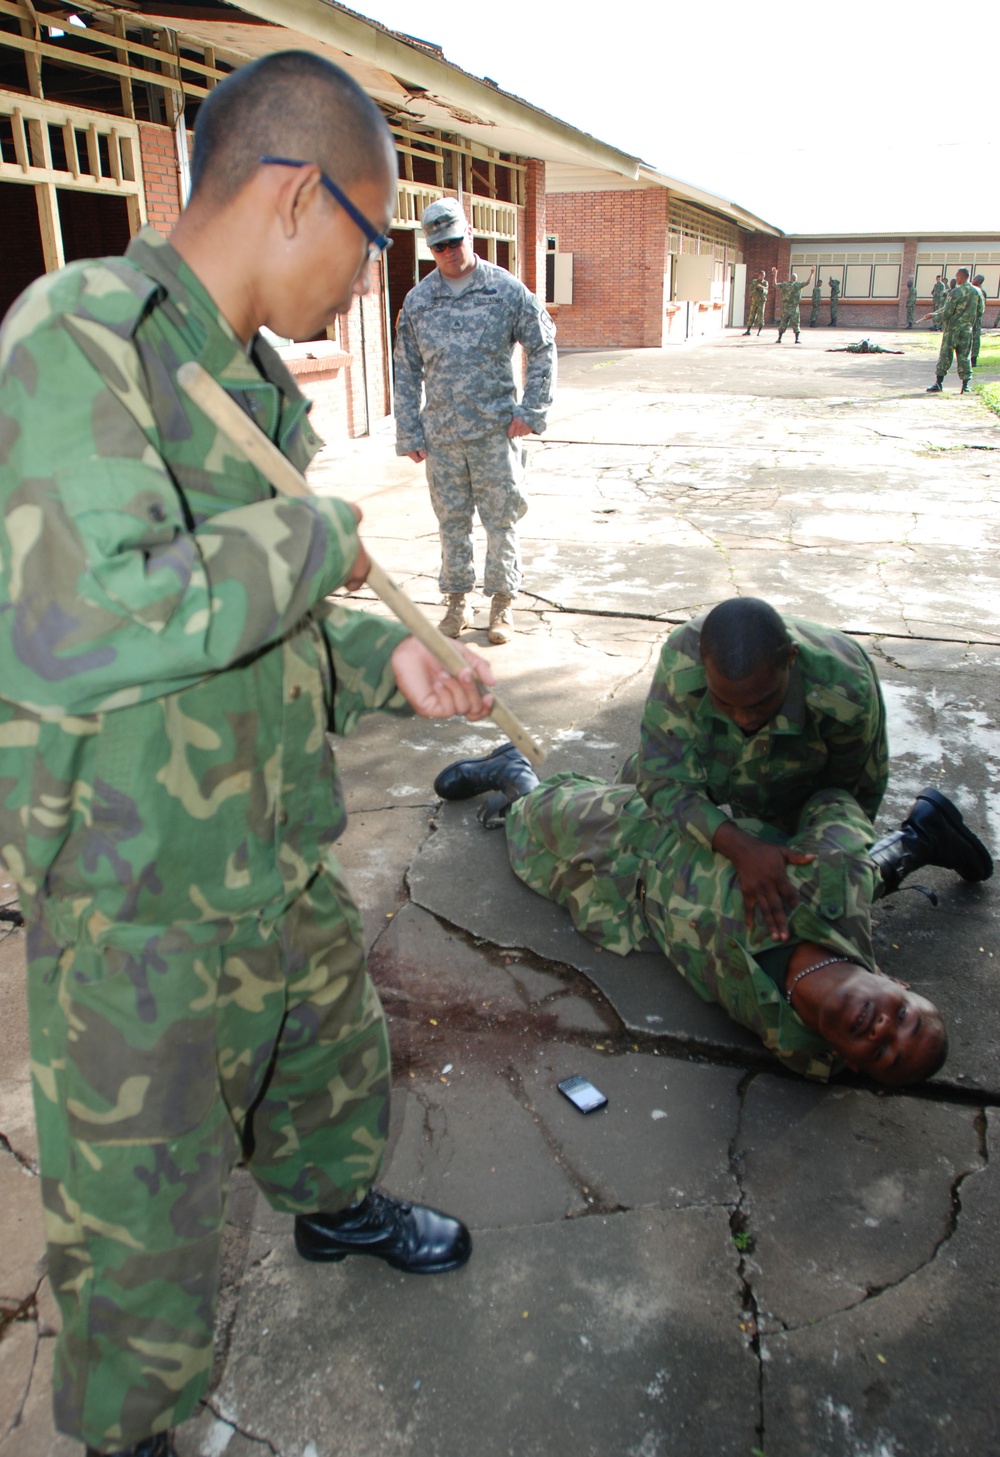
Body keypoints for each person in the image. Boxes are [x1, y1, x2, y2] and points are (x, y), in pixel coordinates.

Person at [0, 52, 499, 1457]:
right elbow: (79, 619)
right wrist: (315, 538)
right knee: (140, 1219)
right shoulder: (77, 334)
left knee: (331, 1061)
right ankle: (135, 1429)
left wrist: (375, 659)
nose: (374, 274)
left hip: (266, 849)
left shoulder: (253, 379)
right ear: (296, 196)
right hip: (139, 900)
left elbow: (239, 639)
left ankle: (332, 1205)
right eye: (373, 236)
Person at [432, 599, 993, 1085]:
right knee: (539, 821)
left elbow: (853, 785)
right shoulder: (832, 881)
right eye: (904, 1019)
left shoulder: (805, 1054)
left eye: (883, 1056)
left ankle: (919, 837)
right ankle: (516, 775)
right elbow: (667, 780)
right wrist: (750, 848)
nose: (882, 1033)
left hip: (641, 904)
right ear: (897, 982)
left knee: (552, 872)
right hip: (652, 831)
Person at [393, 198, 556, 645]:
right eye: (439, 246)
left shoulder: (505, 291)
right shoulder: (419, 301)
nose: (449, 251)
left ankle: (502, 605)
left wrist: (532, 410)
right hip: (442, 436)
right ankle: (457, 603)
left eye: (454, 241)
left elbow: (542, 346)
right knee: (451, 522)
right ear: (431, 248)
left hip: (493, 432)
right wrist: (408, 429)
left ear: (470, 235)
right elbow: (404, 367)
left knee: (501, 520)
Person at [927, 266, 984, 394]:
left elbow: (947, 313)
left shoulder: (956, 292)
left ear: (961, 276)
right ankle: (965, 386)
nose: (956, 278)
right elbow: (980, 311)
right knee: (964, 356)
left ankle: (939, 383)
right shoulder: (977, 292)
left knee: (945, 355)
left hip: (952, 330)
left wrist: (933, 316)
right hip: (967, 330)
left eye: (957, 276)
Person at [771, 264, 815, 343]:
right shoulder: (797, 285)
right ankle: (796, 339)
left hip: (786, 307)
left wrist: (775, 275)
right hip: (793, 307)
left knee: (783, 322)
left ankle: (779, 338)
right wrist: (812, 273)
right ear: (796, 279)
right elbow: (807, 282)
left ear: (790, 278)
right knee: (795, 323)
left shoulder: (785, 285)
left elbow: (774, 285)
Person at [743, 269, 768, 335]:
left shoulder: (765, 283)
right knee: (752, 315)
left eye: (763, 275)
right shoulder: (754, 282)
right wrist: (756, 289)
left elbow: (766, 291)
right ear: (759, 275)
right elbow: (751, 289)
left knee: (760, 316)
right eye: (761, 275)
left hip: (761, 302)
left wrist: (762, 290)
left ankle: (759, 331)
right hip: (754, 301)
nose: (762, 277)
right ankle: (748, 330)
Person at [971, 274, 987, 366]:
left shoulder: (981, 292)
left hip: (976, 318)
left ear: (979, 281)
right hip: (969, 318)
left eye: (975, 279)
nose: (973, 280)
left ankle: (974, 360)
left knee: (975, 338)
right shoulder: (972, 290)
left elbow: (982, 307)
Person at [827, 338, 903, 354]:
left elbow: (884, 350)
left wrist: (894, 352)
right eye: (864, 348)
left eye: (866, 348)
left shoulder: (873, 348)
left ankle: (866, 339)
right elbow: (845, 348)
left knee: (867, 340)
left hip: (868, 342)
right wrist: (834, 350)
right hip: (861, 343)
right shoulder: (857, 348)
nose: (865, 350)